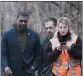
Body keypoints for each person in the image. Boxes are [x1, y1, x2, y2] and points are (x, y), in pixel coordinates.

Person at [1, 10, 42, 76]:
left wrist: (33, 67)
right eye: (21, 21)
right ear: (16, 19)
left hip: (29, 72)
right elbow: (3, 54)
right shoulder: (6, 35)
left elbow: (38, 54)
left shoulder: (34, 35)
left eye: (25, 21)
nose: (23, 23)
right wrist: (5, 67)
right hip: (11, 72)